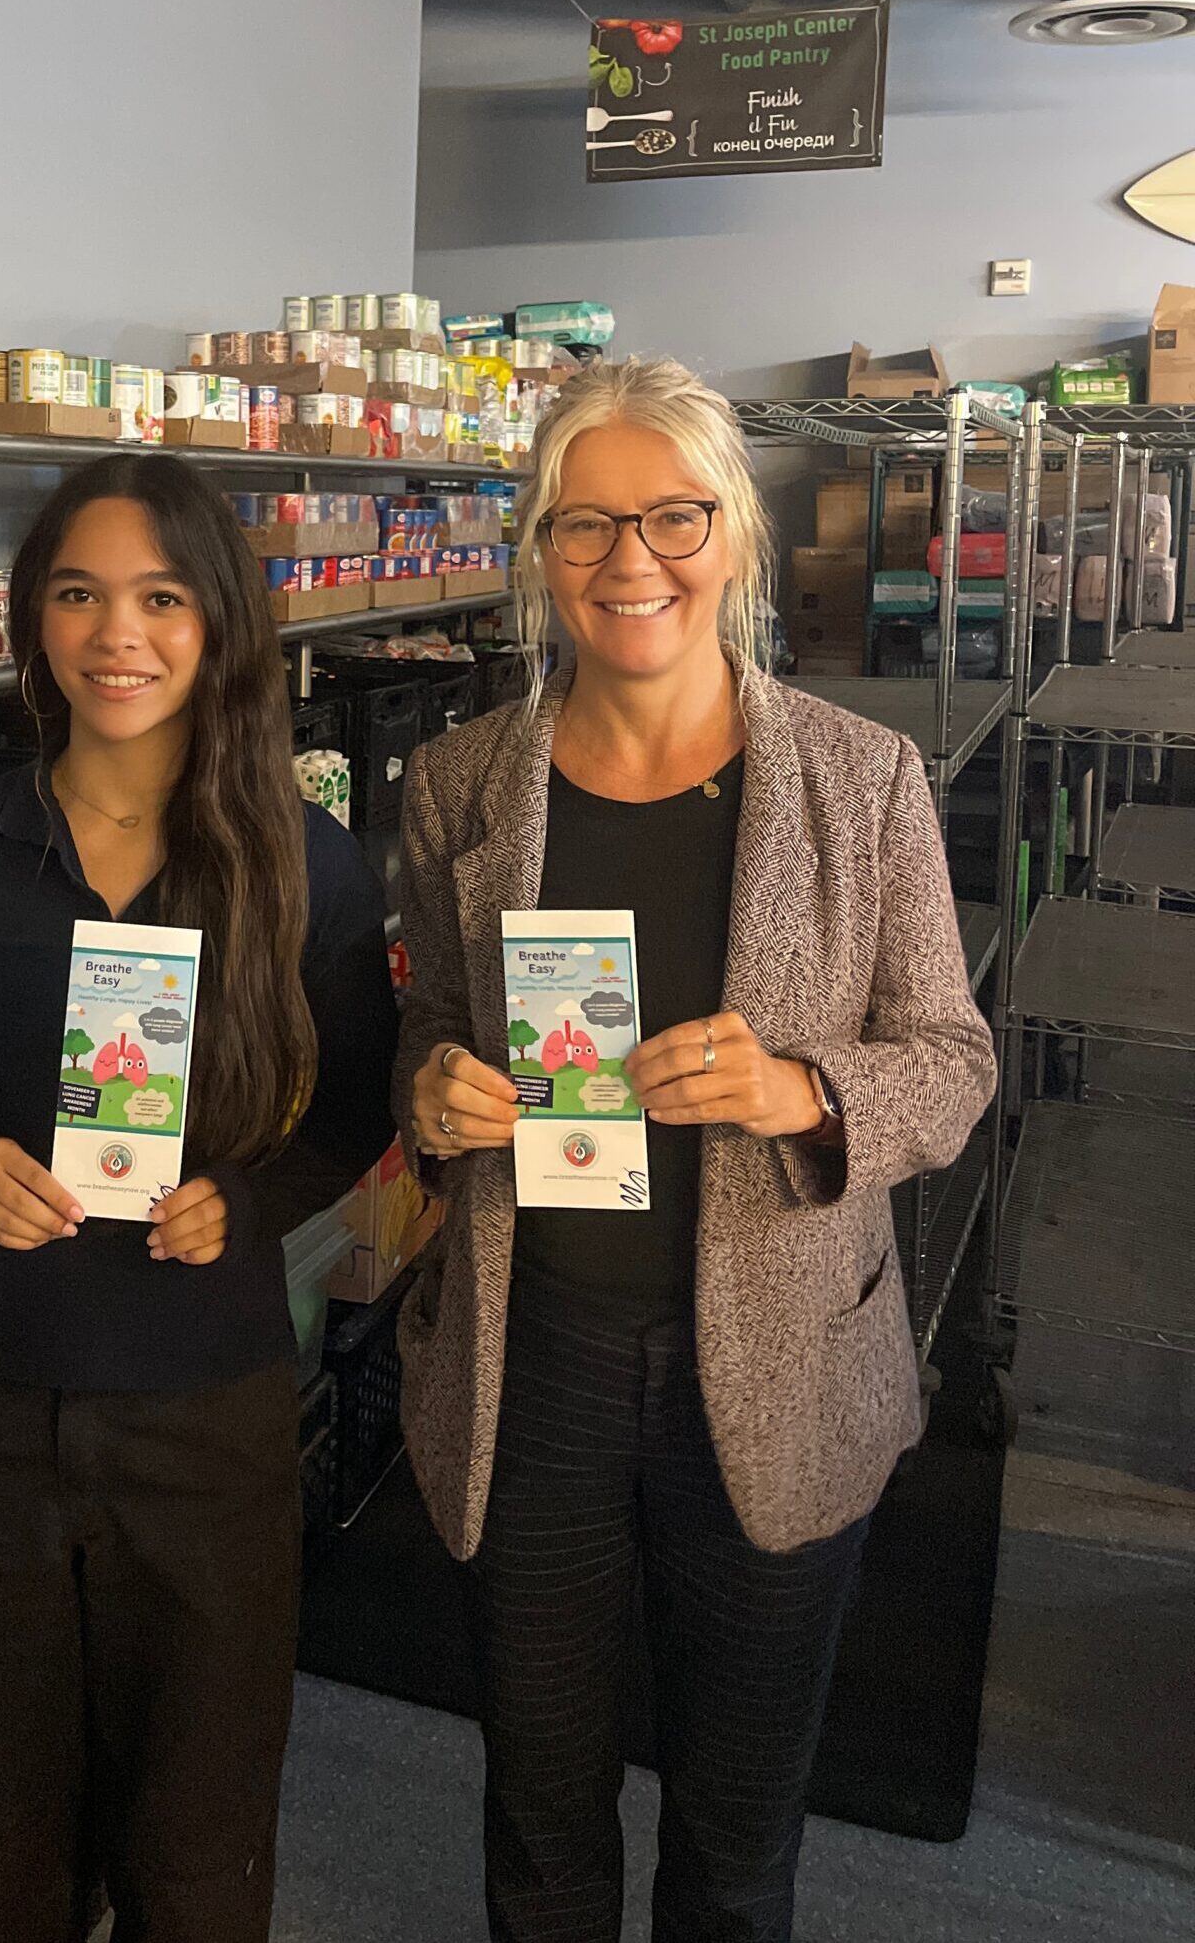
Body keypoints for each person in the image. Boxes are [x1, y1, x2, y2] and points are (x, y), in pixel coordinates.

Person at [393, 357, 997, 1943]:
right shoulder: (463, 786)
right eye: (586, 525)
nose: (631, 562)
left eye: (673, 516)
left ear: (733, 532)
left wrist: (802, 1089)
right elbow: (427, 1039)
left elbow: (952, 1068)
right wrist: (435, 1095)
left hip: (788, 1356)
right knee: (538, 1817)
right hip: (539, 1370)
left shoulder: (862, 787)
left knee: (736, 1843)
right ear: (540, 551)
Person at [0, 452, 398, 1943]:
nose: (116, 635)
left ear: (217, 622)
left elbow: (355, 1110)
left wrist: (254, 1195)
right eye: (77, 595)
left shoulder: (304, 863)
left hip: (206, 1408)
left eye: (158, 597)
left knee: (198, 1822)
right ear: (33, 625)